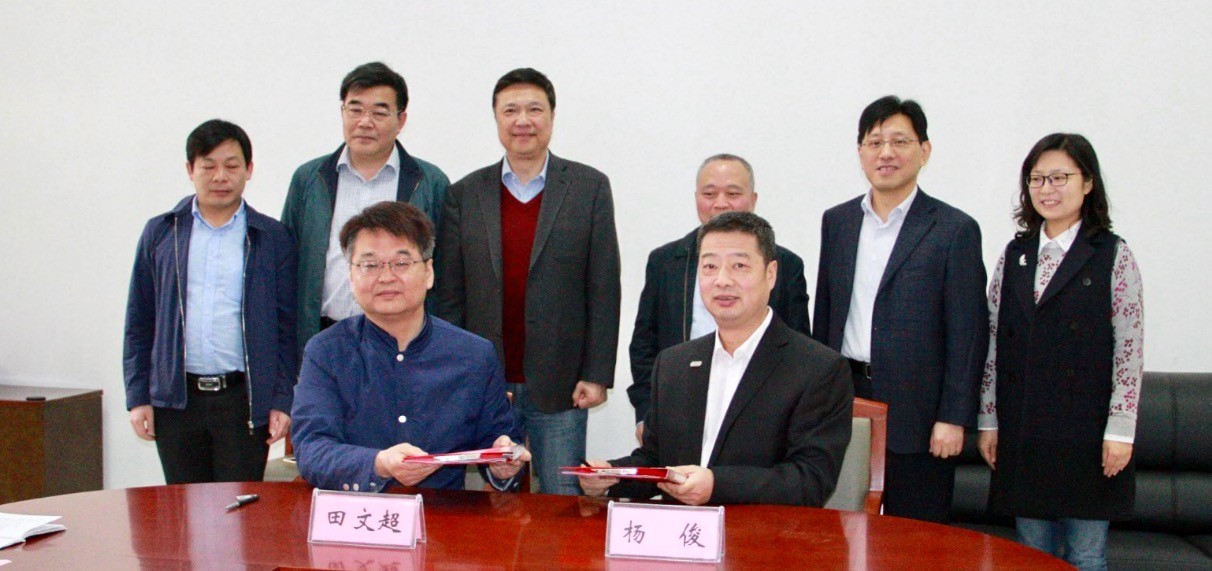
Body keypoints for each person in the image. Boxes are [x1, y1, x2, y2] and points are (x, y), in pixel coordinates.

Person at [581, 212, 852, 506]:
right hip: (680, 529)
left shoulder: (818, 368)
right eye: (710, 266)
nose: (722, 280)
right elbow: (656, 460)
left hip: (762, 530)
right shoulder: (674, 363)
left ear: (771, 274)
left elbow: (810, 481)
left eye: (739, 266)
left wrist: (716, 485)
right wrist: (610, 478)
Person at [434, 68, 621, 495]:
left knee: (562, 499)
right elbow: (451, 296)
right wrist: (456, 374)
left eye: (534, 109)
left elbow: (604, 287)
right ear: (496, 119)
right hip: (488, 380)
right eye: (511, 110)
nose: (523, 120)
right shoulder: (464, 194)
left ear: (552, 117)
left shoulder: (589, 187)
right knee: (497, 504)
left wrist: (597, 373)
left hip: (562, 383)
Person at [812, 95, 987, 522]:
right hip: (847, 396)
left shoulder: (954, 229)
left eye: (899, 141)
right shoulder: (838, 222)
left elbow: (968, 334)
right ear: (860, 152)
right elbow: (826, 317)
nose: (886, 153)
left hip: (921, 411)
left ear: (924, 151)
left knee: (916, 534)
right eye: (874, 143)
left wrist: (953, 417)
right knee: (842, 525)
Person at [977, 133, 1142, 571]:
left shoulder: (1112, 255)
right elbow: (992, 341)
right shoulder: (1016, 255)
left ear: (1087, 183)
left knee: (1085, 556)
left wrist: (1121, 430)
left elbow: (1129, 348)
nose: (1046, 189)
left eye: (1059, 178)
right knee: (1030, 556)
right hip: (1025, 428)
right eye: (1037, 179)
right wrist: (988, 419)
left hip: (1087, 433)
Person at [291, 201, 529, 492]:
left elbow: (501, 441)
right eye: (370, 265)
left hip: (442, 512)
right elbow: (312, 449)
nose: (386, 277)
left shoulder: (474, 355)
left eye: (401, 263)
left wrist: (503, 466)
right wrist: (378, 463)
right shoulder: (326, 351)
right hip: (355, 512)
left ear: (429, 272)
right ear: (351, 277)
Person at [123, 119, 297, 483]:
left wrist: (282, 399)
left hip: (243, 400)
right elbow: (140, 321)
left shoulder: (271, 237)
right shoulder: (162, 232)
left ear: (248, 170)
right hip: (176, 401)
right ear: (190, 170)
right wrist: (138, 396)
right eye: (208, 166)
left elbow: (286, 327)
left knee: (240, 505)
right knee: (182, 507)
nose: (220, 176)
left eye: (232, 166)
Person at [627, 154, 811, 443]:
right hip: (680, 408)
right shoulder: (666, 261)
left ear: (753, 199)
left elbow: (799, 348)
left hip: (759, 413)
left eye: (733, 193)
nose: (720, 203)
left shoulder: (785, 264)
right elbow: (644, 345)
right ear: (696, 198)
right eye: (709, 194)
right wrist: (646, 413)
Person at [282, 61, 450, 354]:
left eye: (379, 112)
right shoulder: (309, 180)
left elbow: (445, 274)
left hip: (403, 342)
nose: (365, 122)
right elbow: (286, 265)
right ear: (342, 112)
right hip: (325, 337)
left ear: (401, 120)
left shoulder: (429, 183)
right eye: (355, 109)